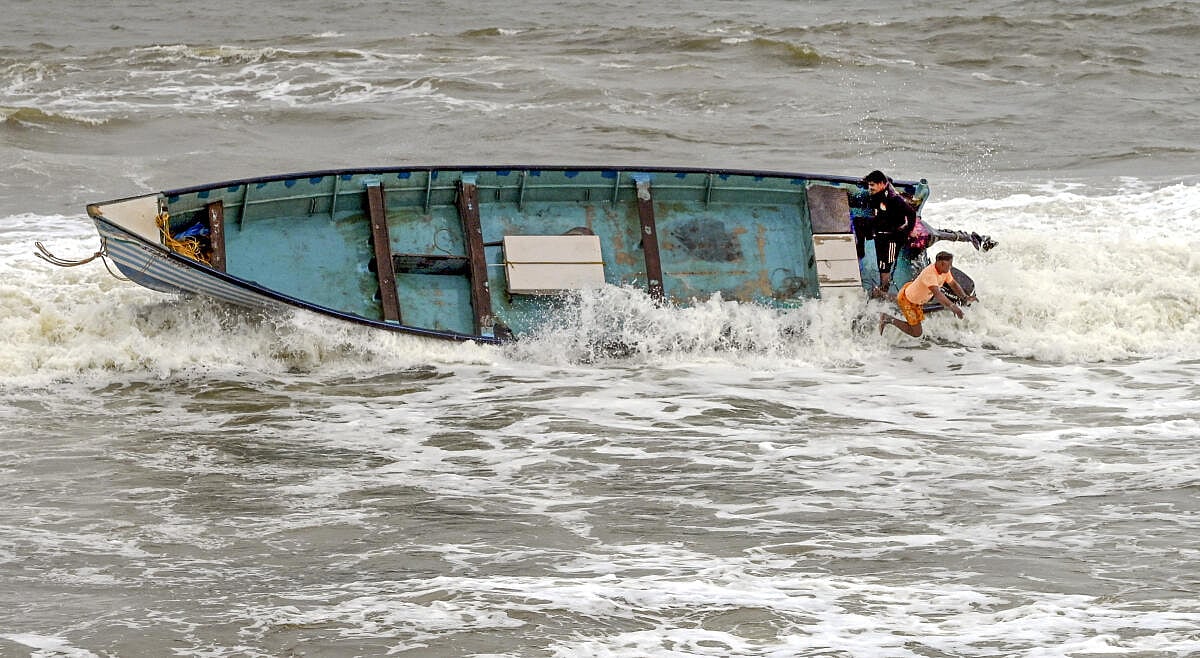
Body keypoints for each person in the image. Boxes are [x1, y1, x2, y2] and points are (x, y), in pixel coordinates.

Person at [879, 251, 976, 337]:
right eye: (949, 265)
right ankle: (887, 319)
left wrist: (965, 297)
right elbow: (938, 294)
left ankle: (880, 293)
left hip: (913, 292)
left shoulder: (945, 271)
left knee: (900, 298)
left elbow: (953, 284)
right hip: (909, 302)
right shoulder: (930, 274)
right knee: (916, 332)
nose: (951, 267)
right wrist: (953, 307)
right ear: (941, 263)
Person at [862, 170, 916, 295]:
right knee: (881, 264)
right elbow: (885, 180)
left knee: (886, 264)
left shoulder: (893, 199)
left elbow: (911, 213)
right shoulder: (877, 193)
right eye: (869, 185)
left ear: (881, 184)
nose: (870, 188)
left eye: (872, 185)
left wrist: (908, 231)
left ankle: (884, 289)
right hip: (880, 236)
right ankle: (882, 288)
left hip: (892, 239)